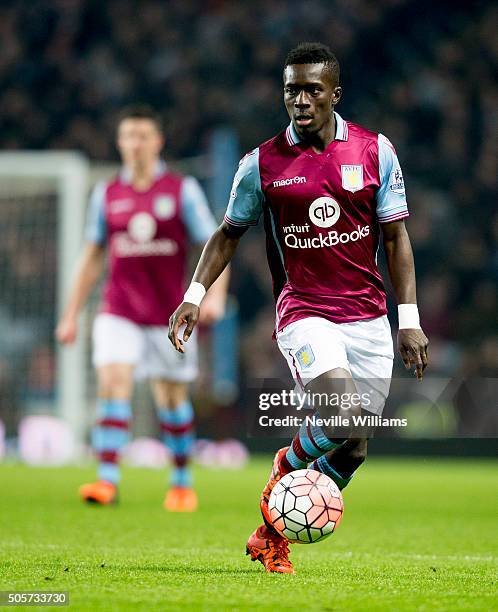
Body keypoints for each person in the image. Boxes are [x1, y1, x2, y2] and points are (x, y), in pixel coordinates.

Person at [168, 42, 429, 570]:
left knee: (354, 444)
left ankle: (270, 531)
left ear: (335, 93)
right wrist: (194, 296)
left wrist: (410, 321)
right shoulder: (260, 164)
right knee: (341, 416)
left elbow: (397, 239)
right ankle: (283, 468)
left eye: (313, 89)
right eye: (292, 90)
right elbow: (227, 234)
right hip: (305, 312)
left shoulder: (375, 151)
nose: (301, 100)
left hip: (370, 318)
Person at [56, 105, 228, 512]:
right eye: (128, 136)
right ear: (120, 143)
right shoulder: (107, 194)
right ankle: (107, 479)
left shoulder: (181, 190)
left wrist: (213, 297)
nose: (135, 144)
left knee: (170, 398)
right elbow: (92, 256)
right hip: (118, 310)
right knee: (113, 381)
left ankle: (182, 479)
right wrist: (70, 314)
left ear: (158, 142)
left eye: (142, 136)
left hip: (169, 314)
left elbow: (216, 245)